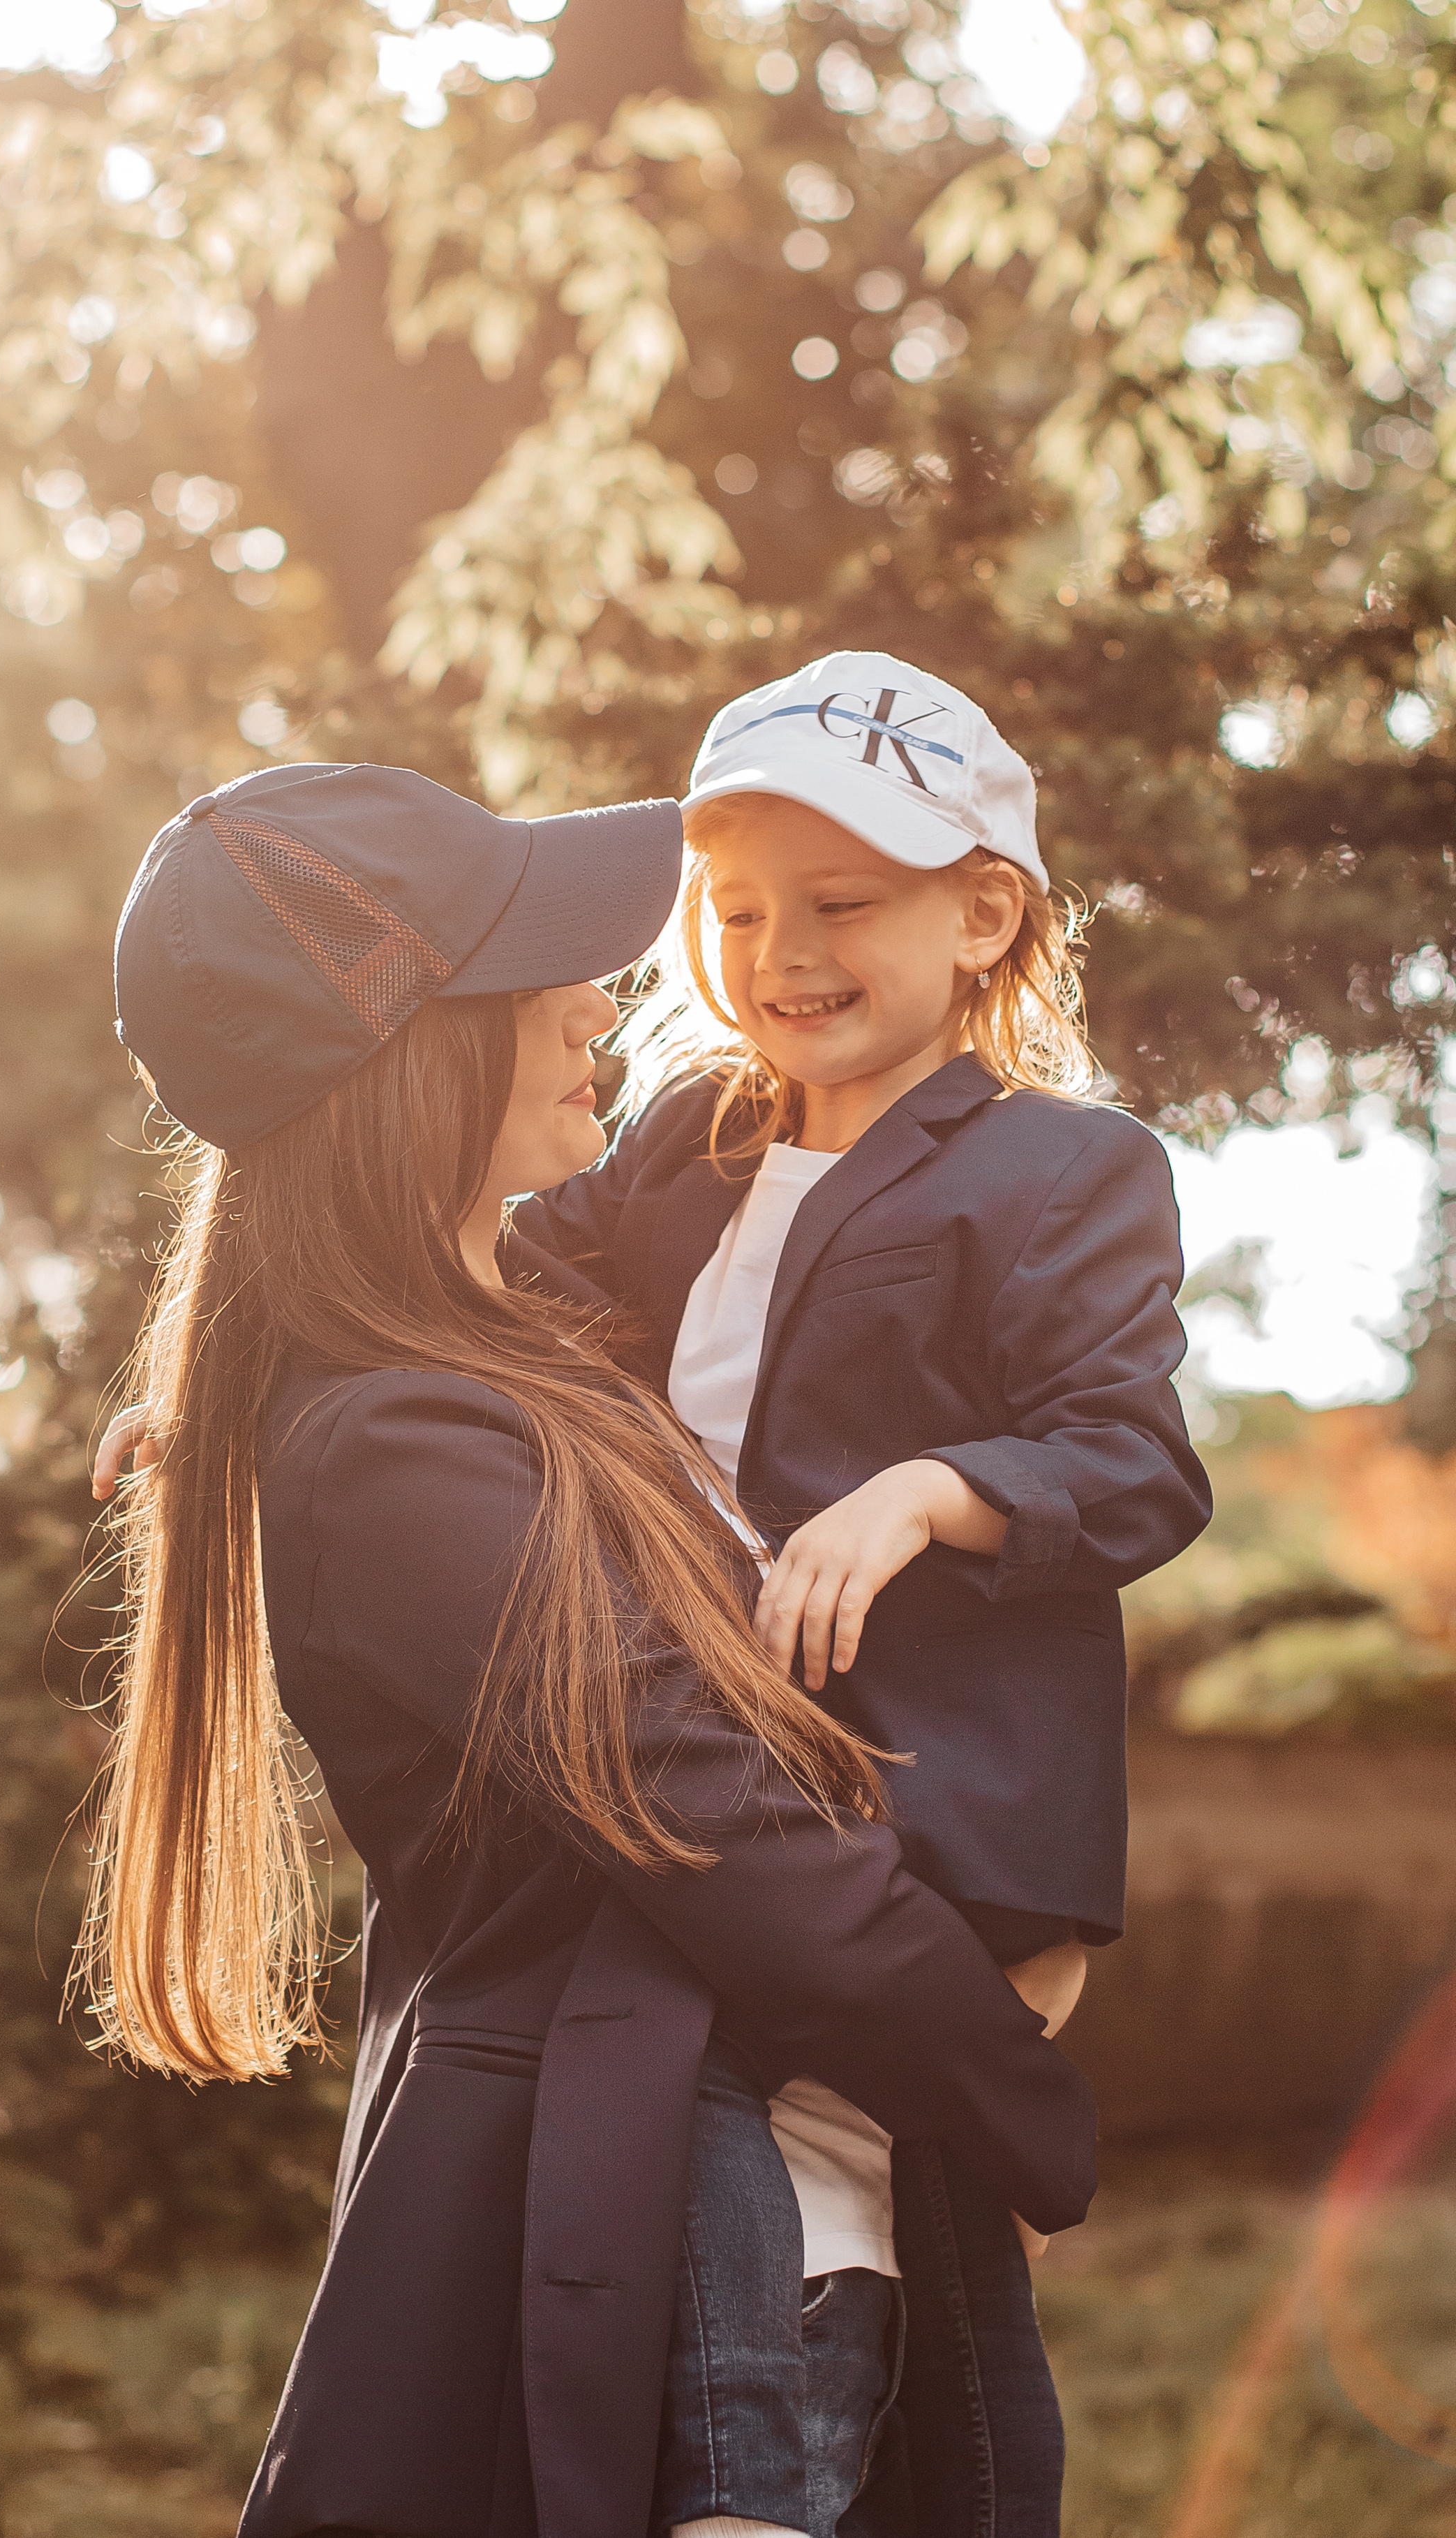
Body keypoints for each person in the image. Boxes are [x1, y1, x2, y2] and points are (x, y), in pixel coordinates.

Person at [84, 760, 1098, 2538]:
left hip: (792, 2227)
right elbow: (710, 1806)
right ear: (393, 1058)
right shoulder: (397, 1445)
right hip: (633, 2269)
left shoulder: (507, 1364)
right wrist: (1016, 2087)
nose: (594, 997)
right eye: (524, 971)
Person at [511, 653, 1214, 2534]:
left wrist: (932, 1489)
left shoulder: (1066, 1171)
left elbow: (1137, 1463)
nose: (779, 951)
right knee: (886, 2187)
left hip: (934, 1796)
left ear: (982, 913)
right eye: (736, 909)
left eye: (842, 903)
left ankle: (754, 2488)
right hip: (730, 1763)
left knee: (750, 2080)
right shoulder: (685, 1138)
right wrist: (231, 1376)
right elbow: (477, 1285)